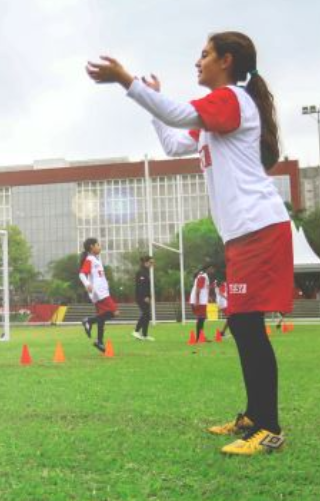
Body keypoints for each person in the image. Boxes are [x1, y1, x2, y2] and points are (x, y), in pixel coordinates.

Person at [87, 31, 292, 456]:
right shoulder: (218, 114)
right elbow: (175, 140)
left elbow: (181, 115)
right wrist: (153, 106)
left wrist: (128, 80)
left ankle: (269, 428)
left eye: (204, 55)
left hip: (260, 229)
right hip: (242, 234)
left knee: (249, 326)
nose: (197, 62)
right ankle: (254, 417)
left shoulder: (232, 98)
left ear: (227, 60)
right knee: (241, 324)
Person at [78, 237, 117, 353]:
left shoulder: (95, 259)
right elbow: (81, 274)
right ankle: (89, 321)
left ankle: (99, 342)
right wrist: (87, 284)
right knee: (114, 312)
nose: (100, 247)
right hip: (99, 292)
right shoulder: (90, 259)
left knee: (102, 317)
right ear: (92, 247)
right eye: (98, 245)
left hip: (101, 291)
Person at [190, 263, 216, 342]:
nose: (213, 270)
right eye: (212, 268)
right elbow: (198, 289)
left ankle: (201, 337)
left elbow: (204, 288)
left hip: (202, 300)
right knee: (201, 319)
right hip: (200, 301)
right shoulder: (203, 277)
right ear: (207, 269)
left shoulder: (204, 276)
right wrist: (197, 301)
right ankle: (199, 338)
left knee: (202, 319)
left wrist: (208, 296)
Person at [133, 255, 155, 341]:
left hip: (146, 297)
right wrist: (145, 296)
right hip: (141, 297)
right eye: (151, 262)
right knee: (146, 314)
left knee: (147, 316)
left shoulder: (146, 271)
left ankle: (144, 335)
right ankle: (136, 331)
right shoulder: (141, 272)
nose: (152, 264)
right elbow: (141, 286)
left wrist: (149, 296)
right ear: (146, 262)